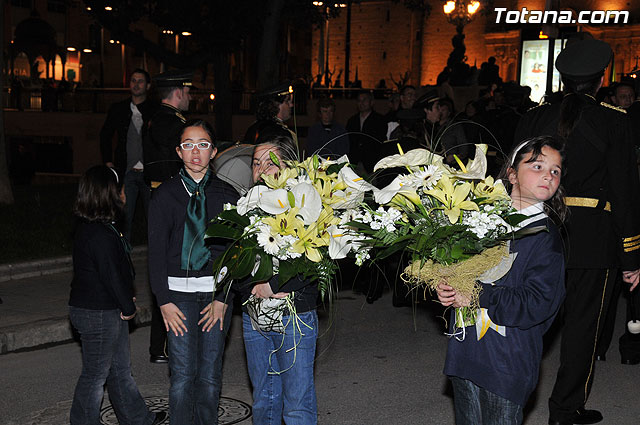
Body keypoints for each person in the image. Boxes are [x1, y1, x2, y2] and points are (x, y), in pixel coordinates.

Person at [513, 38, 640, 425]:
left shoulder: (534, 117)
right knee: (583, 329)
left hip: (538, 230)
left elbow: (511, 176)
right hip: (593, 238)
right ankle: (565, 410)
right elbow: (625, 191)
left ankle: (510, 398)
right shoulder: (613, 120)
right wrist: (631, 255)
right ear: (602, 79)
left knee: (529, 320)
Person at [437, 135, 567, 425]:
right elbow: (455, 265)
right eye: (537, 166)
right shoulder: (480, 218)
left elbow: (539, 304)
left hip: (507, 359)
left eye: (555, 171)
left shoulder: (546, 239)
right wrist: (445, 284)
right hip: (466, 347)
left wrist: (477, 295)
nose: (548, 175)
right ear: (511, 173)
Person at [147, 119, 239, 424]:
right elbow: (156, 255)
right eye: (188, 145)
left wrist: (223, 298)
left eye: (202, 145)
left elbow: (233, 253)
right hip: (178, 298)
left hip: (215, 296)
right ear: (178, 151)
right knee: (183, 376)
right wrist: (164, 301)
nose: (195, 152)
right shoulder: (164, 196)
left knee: (210, 375)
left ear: (213, 151)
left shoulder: (228, 196)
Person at [68, 165, 166, 425]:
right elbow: (111, 275)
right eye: (120, 187)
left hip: (102, 308)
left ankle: (137, 418)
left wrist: (121, 299)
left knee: (120, 370)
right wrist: (127, 305)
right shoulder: (100, 234)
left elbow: (109, 274)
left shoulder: (94, 227)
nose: (124, 192)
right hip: (99, 313)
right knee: (95, 375)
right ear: (109, 193)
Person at [234, 135, 320, 424]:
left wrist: (274, 285)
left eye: (271, 161)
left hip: (294, 315)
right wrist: (253, 288)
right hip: (254, 314)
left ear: (289, 166)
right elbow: (234, 259)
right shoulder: (245, 204)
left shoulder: (304, 198)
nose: (262, 168)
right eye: (256, 162)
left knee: (297, 404)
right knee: (264, 400)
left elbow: (315, 258)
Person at [143, 69, 194, 364]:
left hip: (166, 198)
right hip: (170, 202)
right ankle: (162, 344)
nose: (190, 97)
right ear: (178, 92)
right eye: (188, 92)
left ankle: (161, 344)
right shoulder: (168, 122)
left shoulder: (163, 119)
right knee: (169, 267)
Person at [100, 68, 155, 241]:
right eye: (133, 80)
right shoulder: (119, 109)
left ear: (148, 85)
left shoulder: (155, 109)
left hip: (150, 173)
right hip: (126, 171)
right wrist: (108, 161)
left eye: (140, 81)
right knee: (124, 217)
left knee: (154, 217)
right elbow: (105, 135)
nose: (136, 84)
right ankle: (123, 253)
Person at [345, 90, 387, 173]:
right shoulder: (352, 120)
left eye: (364, 100)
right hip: (354, 162)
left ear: (371, 102)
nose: (362, 103)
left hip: (372, 163)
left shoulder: (379, 120)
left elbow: (380, 141)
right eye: (359, 100)